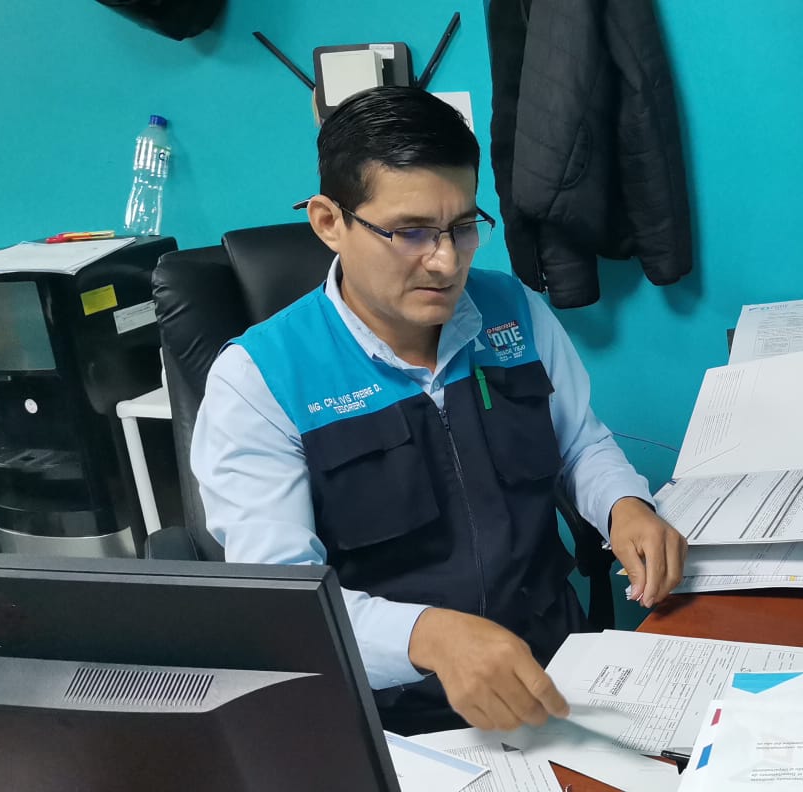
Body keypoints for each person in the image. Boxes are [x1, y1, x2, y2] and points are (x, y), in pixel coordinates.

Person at [191, 85, 687, 735]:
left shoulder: (512, 309)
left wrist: (625, 506)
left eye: (463, 227)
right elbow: (289, 606)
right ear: (329, 222)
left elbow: (579, 444)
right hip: (396, 718)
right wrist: (428, 637)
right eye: (411, 233)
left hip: (556, 669)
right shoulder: (260, 380)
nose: (446, 261)